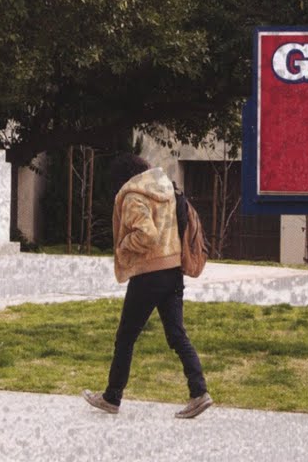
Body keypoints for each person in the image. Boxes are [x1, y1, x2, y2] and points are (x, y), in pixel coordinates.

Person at [82, 153, 213, 419]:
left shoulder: (134, 196)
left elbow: (147, 234)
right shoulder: (167, 189)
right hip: (173, 270)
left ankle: (112, 397)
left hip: (148, 274)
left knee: (126, 337)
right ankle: (199, 392)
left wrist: (124, 245)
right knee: (177, 335)